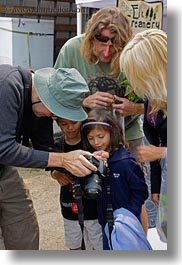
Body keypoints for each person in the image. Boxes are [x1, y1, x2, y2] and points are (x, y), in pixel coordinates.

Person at [0, 65, 100, 250]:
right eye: (55, 112)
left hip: (3, 169)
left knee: (24, 230)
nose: (54, 117)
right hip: (4, 155)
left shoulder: (41, 107)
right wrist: (62, 160)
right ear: (42, 97)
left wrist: (90, 158)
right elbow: (4, 149)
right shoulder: (6, 86)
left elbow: (45, 146)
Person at [119, 28, 167, 242]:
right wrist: (155, 186)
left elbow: (159, 150)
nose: (135, 84)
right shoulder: (152, 99)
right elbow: (156, 144)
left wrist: (163, 152)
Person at [81, 107, 149, 250]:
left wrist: (129, 213)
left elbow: (141, 191)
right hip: (105, 223)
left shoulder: (125, 162)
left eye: (100, 136)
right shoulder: (93, 160)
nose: (96, 142)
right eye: (90, 138)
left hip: (126, 224)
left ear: (112, 133)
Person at [51, 117, 102, 250]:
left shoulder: (91, 143)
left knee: (98, 243)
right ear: (58, 124)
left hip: (93, 206)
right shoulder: (57, 145)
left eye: (74, 122)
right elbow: (51, 168)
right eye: (64, 124)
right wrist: (55, 174)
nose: (70, 127)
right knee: (74, 244)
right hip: (69, 205)